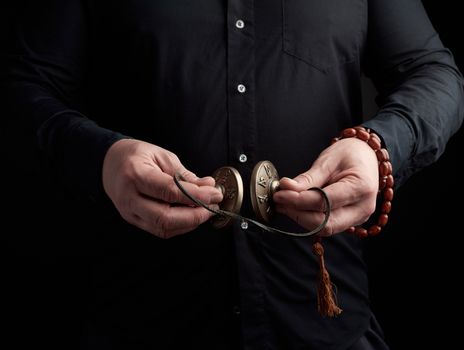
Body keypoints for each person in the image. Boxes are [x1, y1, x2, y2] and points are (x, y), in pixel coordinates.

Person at [1, 0, 463, 349]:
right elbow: (22, 87)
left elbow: (433, 73)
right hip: (146, 317)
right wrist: (101, 159)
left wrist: (378, 147)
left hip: (324, 324)